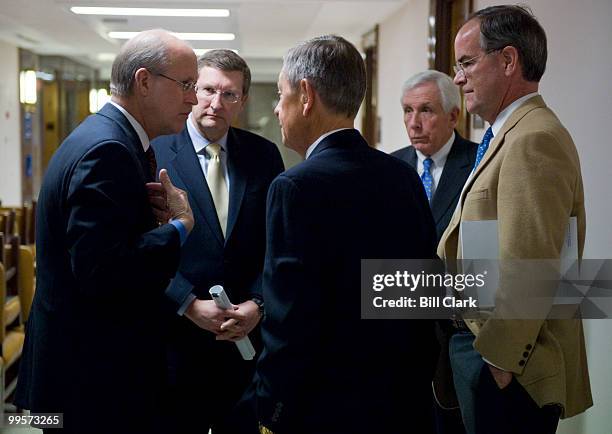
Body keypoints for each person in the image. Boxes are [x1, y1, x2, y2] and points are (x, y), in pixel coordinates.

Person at [253, 35, 439, 434]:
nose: (276, 107)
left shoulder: (294, 187)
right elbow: (421, 293)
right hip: (400, 401)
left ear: (305, 95)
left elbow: (290, 320)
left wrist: (270, 410)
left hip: (322, 408)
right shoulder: (403, 176)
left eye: (281, 94)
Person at [15, 29, 197, 434]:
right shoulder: (108, 149)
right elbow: (102, 273)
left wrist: (155, 226)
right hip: (89, 383)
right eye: (186, 85)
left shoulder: (108, 136)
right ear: (144, 81)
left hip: (83, 376)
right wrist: (180, 228)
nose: (194, 98)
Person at [437, 5, 592, 434]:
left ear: (507, 61)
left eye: (467, 63)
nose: (458, 78)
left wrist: (498, 361)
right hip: (488, 352)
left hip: (511, 366)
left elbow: (534, 261)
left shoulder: (534, 137)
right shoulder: (506, 134)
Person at [151, 49, 284, 434]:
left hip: (243, 341)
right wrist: (188, 304)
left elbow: (274, 243)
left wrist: (258, 304)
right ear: (191, 90)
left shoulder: (263, 156)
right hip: (174, 339)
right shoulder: (154, 150)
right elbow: (139, 245)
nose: (216, 103)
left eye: (230, 94)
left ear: (242, 100)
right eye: (208, 89)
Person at [392, 70, 477, 242]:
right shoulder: (390, 166)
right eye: (408, 110)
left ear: (453, 117)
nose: (414, 123)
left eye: (426, 110)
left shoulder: (479, 162)